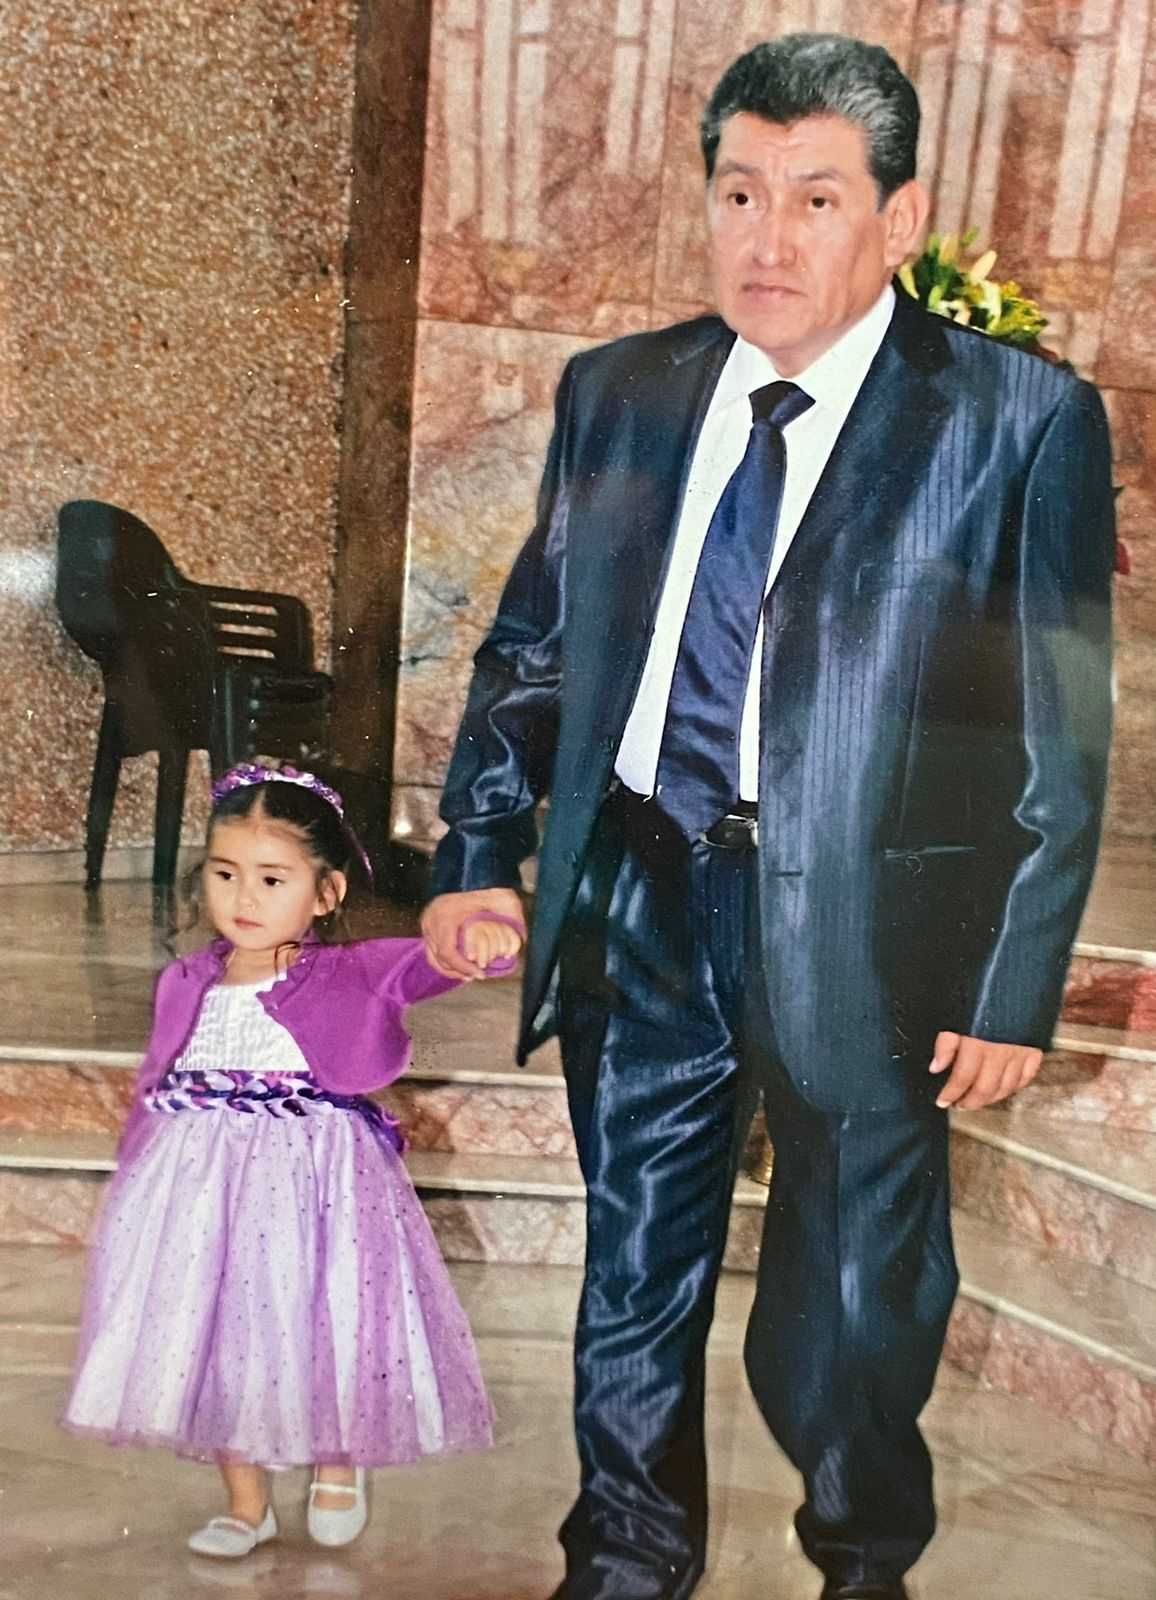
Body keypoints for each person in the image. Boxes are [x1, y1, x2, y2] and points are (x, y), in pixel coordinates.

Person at [421, 30, 1116, 1600]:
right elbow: (536, 646)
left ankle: (863, 1559)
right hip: (645, 894)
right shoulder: (624, 392)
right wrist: (477, 847)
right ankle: (626, 1563)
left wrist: (1012, 982)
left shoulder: (1015, 423)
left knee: (857, 1305)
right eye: (740, 194)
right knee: (635, 1268)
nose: (767, 238)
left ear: (900, 217)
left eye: (815, 199)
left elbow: (1059, 743)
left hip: (874, 932)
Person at [64, 760, 522, 1559]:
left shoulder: (347, 971)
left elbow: (429, 965)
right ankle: (247, 1505)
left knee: (326, 1319)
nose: (243, 898)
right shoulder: (186, 981)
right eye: (225, 873)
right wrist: (133, 1179)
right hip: (204, 1190)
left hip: (318, 1189)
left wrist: (479, 935)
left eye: (272, 879)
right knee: (217, 1336)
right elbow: (153, 1083)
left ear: (326, 894)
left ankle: (339, 1461)